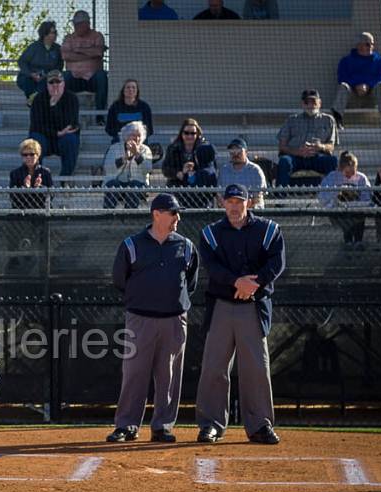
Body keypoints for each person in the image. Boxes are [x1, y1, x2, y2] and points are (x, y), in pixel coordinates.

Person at [195, 184, 285, 445]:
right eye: (230, 201)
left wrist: (253, 285)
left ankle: (259, 425)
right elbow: (212, 267)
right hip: (221, 305)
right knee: (214, 367)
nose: (234, 206)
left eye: (239, 201)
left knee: (256, 368)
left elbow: (277, 263)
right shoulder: (210, 233)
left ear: (250, 202)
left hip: (254, 306)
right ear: (222, 203)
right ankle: (210, 424)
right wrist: (237, 282)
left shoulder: (268, 230)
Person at [107, 193, 198, 444]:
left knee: (168, 376)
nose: (177, 218)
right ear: (156, 214)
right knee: (134, 373)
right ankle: (127, 425)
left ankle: (162, 426)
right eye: (173, 213)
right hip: (140, 319)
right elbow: (119, 280)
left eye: (178, 213)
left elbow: (191, 283)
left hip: (174, 320)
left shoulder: (186, 246)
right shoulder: (131, 245)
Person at [276, 89, 339, 188]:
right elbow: (282, 146)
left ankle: (331, 196)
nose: (310, 105)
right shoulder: (292, 120)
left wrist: (320, 146)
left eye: (313, 101)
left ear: (319, 103)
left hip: (318, 157)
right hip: (296, 158)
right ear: (302, 104)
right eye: (306, 102)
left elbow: (331, 146)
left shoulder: (328, 120)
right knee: (284, 161)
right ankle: (280, 198)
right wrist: (298, 152)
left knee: (332, 161)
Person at [332, 32, 381, 130]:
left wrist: (368, 85)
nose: (371, 47)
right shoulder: (346, 61)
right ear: (359, 45)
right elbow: (341, 77)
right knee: (343, 86)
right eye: (368, 44)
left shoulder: (380, 61)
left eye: (372, 44)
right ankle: (337, 118)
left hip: (373, 97)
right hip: (353, 96)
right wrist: (356, 85)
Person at [28, 70, 80, 177]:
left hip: (63, 138)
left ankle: (65, 179)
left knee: (71, 140)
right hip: (45, 137)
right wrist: (57, 133)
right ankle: (36, 178)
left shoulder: (72, 98)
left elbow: (70, 123)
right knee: (34, 140)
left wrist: (55, 106)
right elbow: (36, 126)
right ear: (47, 85)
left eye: (58, 82)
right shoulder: (38, 99)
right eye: (51, 82)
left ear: (63, 84)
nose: (55, 85)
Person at [61, 10, 108, 124]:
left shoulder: (97, 36)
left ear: (87, 24)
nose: (76, 27)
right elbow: (65, 55)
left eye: (79, 24)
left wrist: (78, 51)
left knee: (102, 76)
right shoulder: (69, 38)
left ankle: (100, 117)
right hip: (74, 78)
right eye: (75, 24)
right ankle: (66, 117)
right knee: (63, 77)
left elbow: (98, 53)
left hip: (92, 79)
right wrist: (88, 55)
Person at [319, 151, 372, 249]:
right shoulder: (332, 177)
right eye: (347, 173)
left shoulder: (361, 178)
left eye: (353, 172)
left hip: (357, 210)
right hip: (338, 211)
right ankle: (348, 241)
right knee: (345, 215)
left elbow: (367, 198)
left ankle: (358, 241)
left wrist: (355, 200)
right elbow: (323, 198)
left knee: (358, 215)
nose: (350, 176)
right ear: (340, 169)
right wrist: (337, 191)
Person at [161, 118, 217, 208]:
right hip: (177, 187)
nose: (189, 136)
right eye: (186, 133)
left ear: (197, 134)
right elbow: (165, 169)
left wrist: (195, 172)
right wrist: (179, 173)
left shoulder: (204, 148)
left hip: (199, 188)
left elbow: (211, 167)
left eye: (193, 133)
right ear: (181, 133)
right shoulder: (173, 148)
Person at [103, 121, 153, 209]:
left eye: (139, 136)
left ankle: (130, 216)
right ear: (126, 136)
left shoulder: (145, 149)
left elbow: (148, 169)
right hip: (117, 181)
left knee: (134, 185)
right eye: (133, 135)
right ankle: (108, 215)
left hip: (138, 184)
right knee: (113, 185)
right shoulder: (114, 148)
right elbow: (108, 167)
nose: (136, 138)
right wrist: (124, 158)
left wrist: (137, 154)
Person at [16, 21, 63, 103]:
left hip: (46, 77)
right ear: (44, 34)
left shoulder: (58, 49)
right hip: (29, 75)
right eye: (52, 33)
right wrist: (31, 74)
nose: (55, 35)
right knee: (27, 82)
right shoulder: (34, 47)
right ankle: (34, 100)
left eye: (55, 32)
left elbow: (59, 66)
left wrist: (49, 75)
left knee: (47, 84)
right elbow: (22, 62)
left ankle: (34, 101)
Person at [217, 138, 268, 208]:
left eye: (239, 151)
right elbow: (219, 196)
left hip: (252, 210)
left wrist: (243, 208)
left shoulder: (255, 170)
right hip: (229, 210)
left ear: (246, 152)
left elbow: (258, 196)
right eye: (232, 151)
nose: (235, 154)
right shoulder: (224, 170)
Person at [10, 138, 53, 210]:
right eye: (25, 155)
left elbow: (51, 195)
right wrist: (25, 188)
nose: (28, 157)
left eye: (32, 154)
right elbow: (13, 197)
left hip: (41, 212)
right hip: (21, 212)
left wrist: (39, 187)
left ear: (38, 155)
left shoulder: (46, 172)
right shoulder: (15, 173)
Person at [105, 79, 153, 143]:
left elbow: (149, 129)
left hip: (140, 142)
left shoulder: (144, 107)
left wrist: (137, 137)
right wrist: (124, 135)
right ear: (123, 91)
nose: (130, 90)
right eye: (128, 87)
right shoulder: (115, 107)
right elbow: (109, 128)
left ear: (137, 91)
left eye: (133, 87)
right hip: (119, 142)